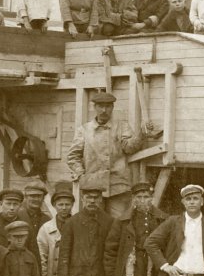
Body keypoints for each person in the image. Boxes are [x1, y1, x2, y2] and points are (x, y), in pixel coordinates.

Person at [65, 89, 157, 221]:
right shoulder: (84, 130)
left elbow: (130, 148)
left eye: (107, 106)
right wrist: (82, 175)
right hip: (93, 187)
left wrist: (142, 134)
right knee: (94, 223)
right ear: (94, 107)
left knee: (118, 223)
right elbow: (72, 157)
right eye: (100, 106)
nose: (104, 110)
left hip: (118, 186)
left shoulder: (122, 127)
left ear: (112, 107)